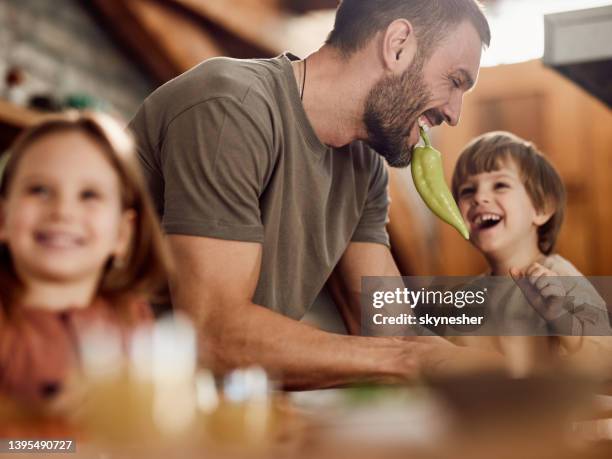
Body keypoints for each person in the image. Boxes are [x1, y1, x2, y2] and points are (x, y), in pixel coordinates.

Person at [129, 0, 493, 389]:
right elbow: (212, 335)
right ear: (398, 44)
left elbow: (390, 328)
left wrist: (492, 375)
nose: (455, 114)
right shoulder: (232, 108)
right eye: (455, 81)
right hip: (115, 407)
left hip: (224, 413)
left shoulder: (364, 167)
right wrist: (406, 359)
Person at [0, 112, 170, 405]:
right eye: (39, 190)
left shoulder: (132, 316)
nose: (63, 211)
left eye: (89, 194)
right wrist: (52, 442)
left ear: (121, 234)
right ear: (3, 218)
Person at [451, 131, 611, 374]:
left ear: (541, 207)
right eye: (467, 191)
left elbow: (603, 362)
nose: (479, 198)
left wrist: (559, 315)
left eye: (500, 185)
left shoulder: (560, 278)